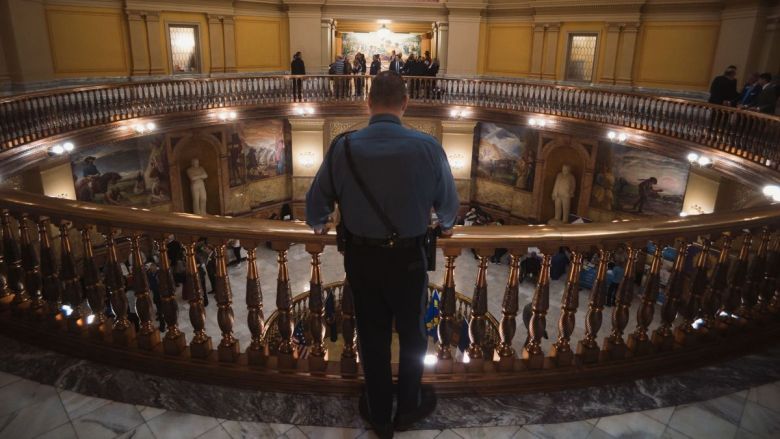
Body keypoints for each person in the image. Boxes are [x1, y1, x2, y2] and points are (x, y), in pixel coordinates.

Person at [305, 71, 459, 437]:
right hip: (409, 260)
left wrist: (321, 222)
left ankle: (378, 413)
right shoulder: (428, 148)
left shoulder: (342, 147)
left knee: (371, 335)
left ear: (368, 103)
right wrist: (445, 223)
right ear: (406, 104)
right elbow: (449, 211)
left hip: (362, 261)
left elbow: (315, 208)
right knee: (413, 334)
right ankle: (407, 406)